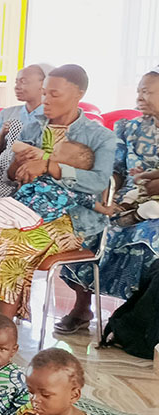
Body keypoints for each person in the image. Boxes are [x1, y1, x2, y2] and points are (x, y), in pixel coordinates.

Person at [0, 65, 116, 340]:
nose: (46, 100)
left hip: (70, 219)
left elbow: (99, 182)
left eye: (54, 94)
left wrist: (52, 166)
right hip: (27, 208)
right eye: (44, 93)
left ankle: (1, 333)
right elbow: (13, 175)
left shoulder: (99, 136)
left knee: (9, 249)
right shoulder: (34, 125)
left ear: (79, 94)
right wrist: (20, 164)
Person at [57, 68, 159, 332]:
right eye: (139, 90)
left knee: (149, 238)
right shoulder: (131, 128)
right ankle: (82, 308)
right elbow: (114, 167)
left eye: (147, 91)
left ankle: (138, 321)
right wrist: (105, 189)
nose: (140, 96)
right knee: (86, 224)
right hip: (129, 197)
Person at [0, 64, 50, 200]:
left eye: (23, 82)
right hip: (4, 184)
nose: (17, 86)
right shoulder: (7, 114)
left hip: (38, 187)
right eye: (16, 82)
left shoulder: (52, 117)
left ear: (42, 84)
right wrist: (2, 134)